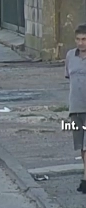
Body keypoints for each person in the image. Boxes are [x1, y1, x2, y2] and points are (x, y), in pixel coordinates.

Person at [65, 23, 86, 194]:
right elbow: (69, 78)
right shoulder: (70, 56)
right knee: (81, 145)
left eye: (84, 39)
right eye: (78, 39)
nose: (81, 43)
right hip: (76, 107)